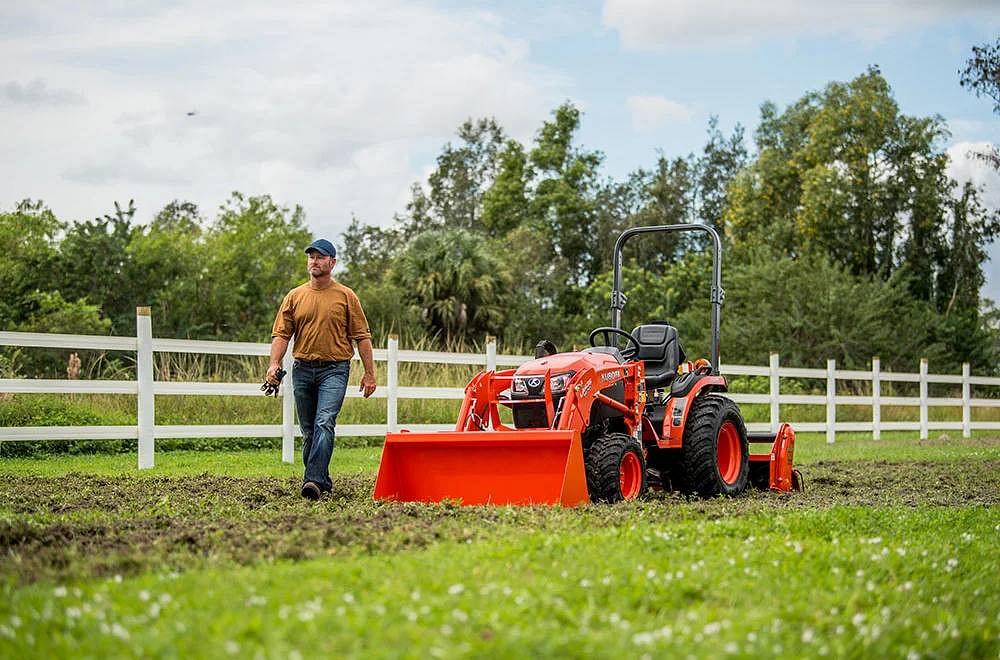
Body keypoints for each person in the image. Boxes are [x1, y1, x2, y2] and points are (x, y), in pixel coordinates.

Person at [266, 238, 377, 500]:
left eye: (320, 257)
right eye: (311, 257)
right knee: (308, 431)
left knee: (324, 422)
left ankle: (312, 481)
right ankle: (322, 480)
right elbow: (281, 334)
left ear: (332, 262)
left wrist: (370, 373)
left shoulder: (346, 296)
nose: (314, 261)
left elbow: (362, 337)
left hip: (335, 370)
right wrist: (274, 363)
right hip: (302, 368)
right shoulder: (295, 296)